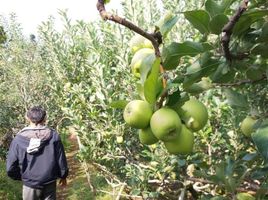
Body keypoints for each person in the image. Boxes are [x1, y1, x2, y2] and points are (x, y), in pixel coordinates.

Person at [6, 106, 69, 200]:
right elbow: (61, 159)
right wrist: (63, 175)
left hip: (30, 184)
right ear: (45, 118)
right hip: (49, 181)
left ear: (27, 118)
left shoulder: (18, 139)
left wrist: (21, 177)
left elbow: (10, 167)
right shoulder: (53, 136)